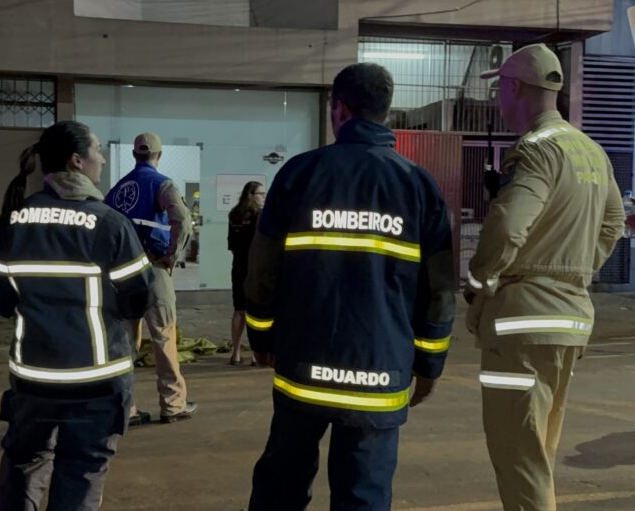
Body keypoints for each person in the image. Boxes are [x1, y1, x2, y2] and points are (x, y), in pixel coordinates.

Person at [244, 63, 455, 510]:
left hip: (303, 368)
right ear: (386, 111)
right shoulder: (419, 187)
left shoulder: (299, 175)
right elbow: (439, 290)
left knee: (280, 487)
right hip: (379, 372)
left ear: (337, 107)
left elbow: (262, 270)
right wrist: (429, 364)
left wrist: (261, 335)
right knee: (364, 496)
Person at [466, 44, 625, 510]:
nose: (499, 101)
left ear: (515, 88)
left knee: (518, 456)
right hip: (570, 321)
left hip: (522, 323)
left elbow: (509, 225)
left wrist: (480, 282)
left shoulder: (536, 151)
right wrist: (572, 272)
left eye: (500, 90)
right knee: (538, 451)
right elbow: (613, 222)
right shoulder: (591, 150)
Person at [0, 121, 154, 510]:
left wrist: (33, 315)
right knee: (81, 469)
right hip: (96, 379)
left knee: (23, 463)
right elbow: (140, 294)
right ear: (77, 161)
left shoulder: (13, 220)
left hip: (33, 377)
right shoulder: (108, 224)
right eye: (97, 152)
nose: (103, 160)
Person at [105, 132, 198, 425]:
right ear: (158, 155)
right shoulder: (162, 183)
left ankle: (127, 407)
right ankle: (173, 405)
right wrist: (173, 254)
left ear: (134, 155)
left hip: (122, 274)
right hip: (153, 268)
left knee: (124, 343)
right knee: (164, 336)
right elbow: (182, 220)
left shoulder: (117, 190)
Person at [226, 181, 265, 366]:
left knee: (238, 310)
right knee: (254, 312)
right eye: (260, 193)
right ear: (251, 195)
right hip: (255, 268)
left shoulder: (234, 214)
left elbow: (232, 245)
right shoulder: (260, 215)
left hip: (238, 266)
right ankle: (256, 355)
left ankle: (235, 353)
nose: (263, 197)